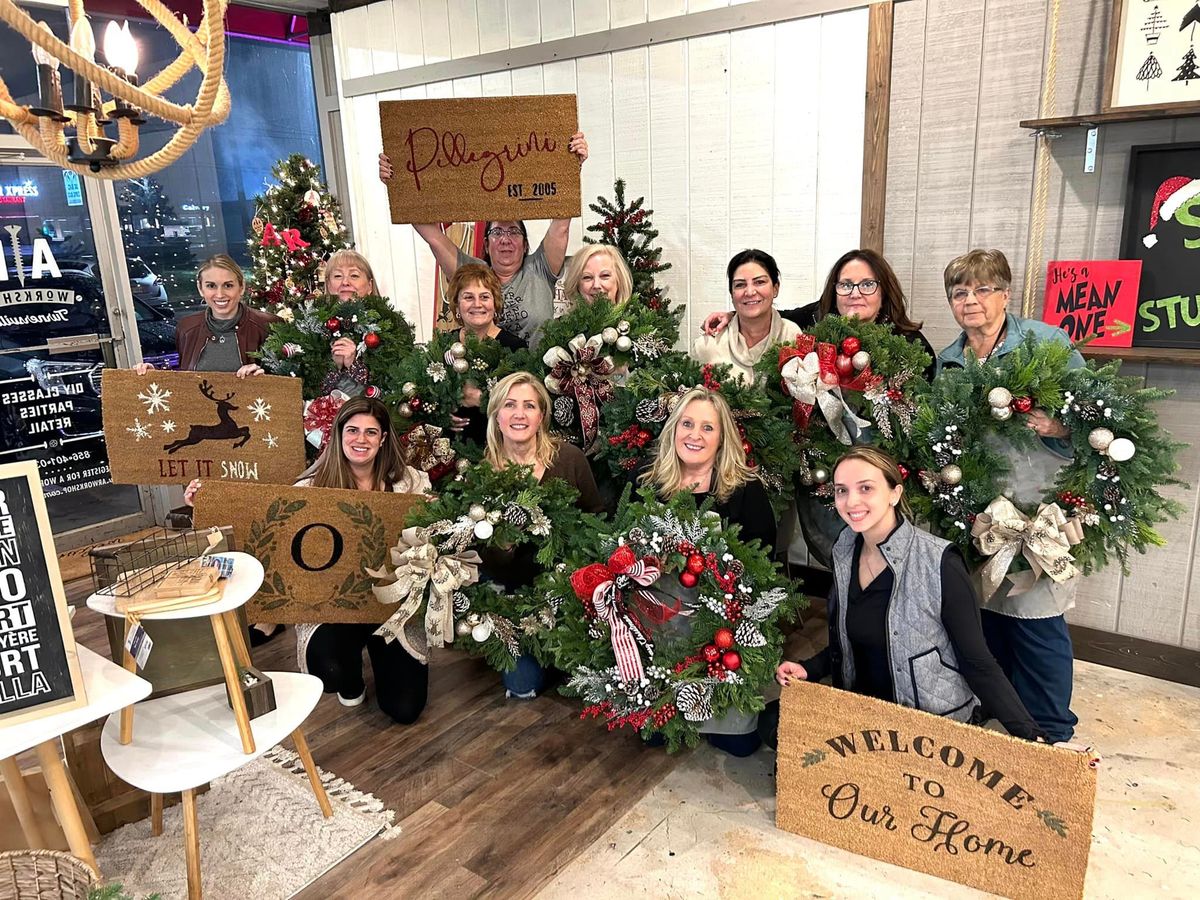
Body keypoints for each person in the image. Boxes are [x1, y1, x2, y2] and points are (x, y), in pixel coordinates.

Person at [762, 447, 1042, 747]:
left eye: (866, 488)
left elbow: (979, 663)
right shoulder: (844, 548)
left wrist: (1035, 737)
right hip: (862, 710)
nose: (851, 501)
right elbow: (853, 634)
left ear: (895, 493)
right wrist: (811, 668)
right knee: (772, 724)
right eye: (842, 490)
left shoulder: (940, 562)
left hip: (922, 722)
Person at [183, 397, 433, 721]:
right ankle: (350, 677)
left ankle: (379, 652)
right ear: (338, 434)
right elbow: (260, 529)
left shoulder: (410, 484)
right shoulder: (310, 489)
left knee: (404, 709)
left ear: (383, 439)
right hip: (333, 606)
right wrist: (205, 506)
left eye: (371, 432)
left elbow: (432, 538)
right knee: (328, 669)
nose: (361, 439)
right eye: (353, 430)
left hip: (392, 607)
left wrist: (430, 513)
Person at [935, 248, 1084, 743]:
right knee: (985, 616)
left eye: (982, 289)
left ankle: (1051, 731)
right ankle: (1002, 712)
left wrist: (1058, 425)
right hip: (977, 512)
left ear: (1005, 293)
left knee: (1036, 620)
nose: (970, 301)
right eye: (960, 292)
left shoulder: (1046, 344)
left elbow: (1097, 419)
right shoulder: (949, 361)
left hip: (1036, 509)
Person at [134, 254, 281, 645]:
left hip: (253, 445)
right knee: (214, 519)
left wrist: (265, 373)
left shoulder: (266, 326)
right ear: (201, 289)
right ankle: (223, 603)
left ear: (242, 288)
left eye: (228, 285)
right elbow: (184, 378)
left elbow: (287, 379)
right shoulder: (187, 327)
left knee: (257, 522)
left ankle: (266, 612)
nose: (220, 294)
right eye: (212, 286)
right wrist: (154, 377)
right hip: (210, 451)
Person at [637, 386, 778, 757]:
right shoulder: (649, 484)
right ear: (673, 430)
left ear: (722, 438)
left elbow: (764, 571)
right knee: (654, 738)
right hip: (663, 632)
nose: (694, 436)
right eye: (687, 424)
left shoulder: (746, 491)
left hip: (723, 636)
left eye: (707, 428)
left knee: (740, 744)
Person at [378, 132, 589, 342]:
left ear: (525, 245)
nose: (505, 239)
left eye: (514, 232)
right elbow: (433, 237)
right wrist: (398, 184)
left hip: (536, 374)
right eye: (496, 232)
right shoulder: (470, 272)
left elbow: (561, 227)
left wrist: (571, 166)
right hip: (484, 374)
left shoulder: (541, 268)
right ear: (486, 245)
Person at [481, 371, 605, 698]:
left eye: (529, 406)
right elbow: (485, 561)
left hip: (569, 590)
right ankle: (538, 652)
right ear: (496, 415)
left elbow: (596, 518)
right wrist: (505, 543)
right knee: (522, 685)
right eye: (510, 405)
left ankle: (560, 650)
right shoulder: (482, 475)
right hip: (513, 595)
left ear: (541, 415)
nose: (519, 414)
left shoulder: (569, 459)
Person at [701, 248, 935, 373]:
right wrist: (734, 315)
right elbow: (770, 314)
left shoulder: (910, 345)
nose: (855, 293)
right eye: (845, 285)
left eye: (867, 284)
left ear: (884, 291)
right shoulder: (821, 319)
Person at [445, 264, 528, 445]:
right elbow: (425, 397)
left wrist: (483, 399)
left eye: (484, 297)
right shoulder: (443, 345)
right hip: (450, 449)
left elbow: (527, 405)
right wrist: (441, 413)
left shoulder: (515, 348)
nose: (477, 304)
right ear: (457, 305)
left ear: (495, 303)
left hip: (499, 447)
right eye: (468, 297)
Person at [691, 249, 801, 384]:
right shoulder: (708, 346)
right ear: (732, 294)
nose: (749, 292)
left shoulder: (793, 336)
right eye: (740, 285)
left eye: (759, 282)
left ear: (775, 288)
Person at [322, 249, 384, 396]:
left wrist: (354, 365)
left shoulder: (390, 326)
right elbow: (304, 390)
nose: (345, 282)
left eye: (354, 275)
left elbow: (395, 388)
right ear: (329, 285)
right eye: (337, 276)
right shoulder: (310, 327)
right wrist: (334, 366)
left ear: (369, 285)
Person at [559, 243, 634, 312]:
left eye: (605, 276)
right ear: (576, 285)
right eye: (587, 277)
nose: (596, 285)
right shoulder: (559, 326)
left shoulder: (640, 324)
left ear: (620, 280)